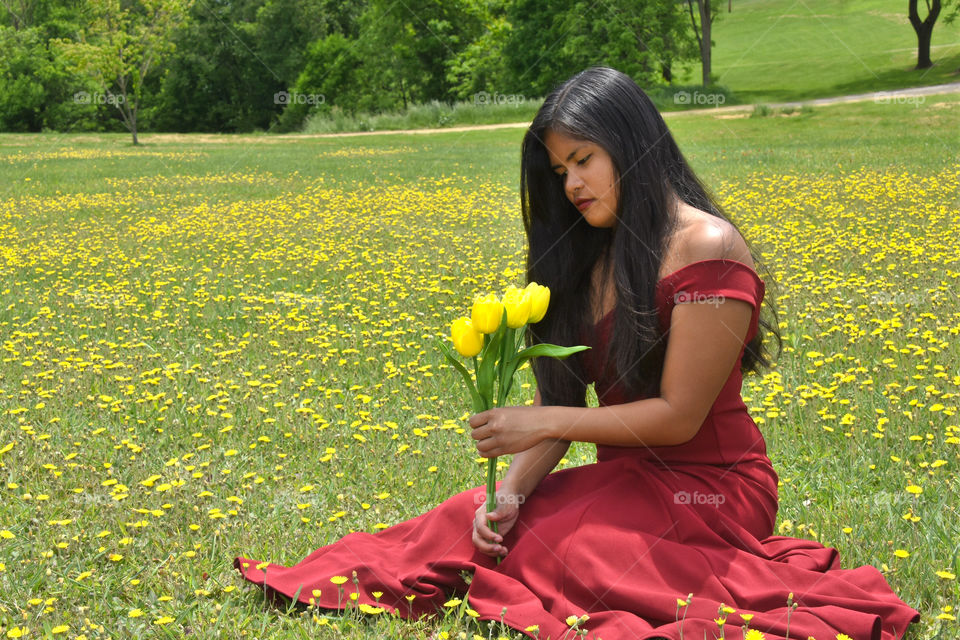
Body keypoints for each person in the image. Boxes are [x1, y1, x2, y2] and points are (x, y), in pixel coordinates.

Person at [234, 66, 920, 640]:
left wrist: (545, 423)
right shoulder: (584, 258)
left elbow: (679, 418)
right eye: (560, 169)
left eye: (584, 160)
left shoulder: (706, 246)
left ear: (633, 144)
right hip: (625, 484)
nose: (571, 185)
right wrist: (506, 494)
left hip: (710, 487)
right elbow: (558, 406)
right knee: (476, 518)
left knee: (569, 547)